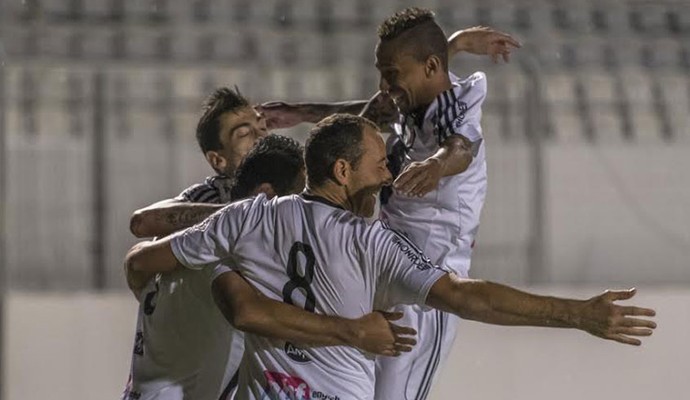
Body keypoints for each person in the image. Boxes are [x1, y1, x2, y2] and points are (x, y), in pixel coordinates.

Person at [124, 114, 656, 400]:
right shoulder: (371, 243)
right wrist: (577, 314)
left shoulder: (248, 219)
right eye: (379, 164)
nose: (388, 174)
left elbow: (146, 254)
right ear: (342, 172)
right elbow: (467, 297)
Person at [122, 105, 416, 400]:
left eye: (261, 125)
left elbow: (137, 262)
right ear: (218, 159)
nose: (260, 133)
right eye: (244, 132)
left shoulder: (198, 241)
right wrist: (354, 331)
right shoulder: (234, 237)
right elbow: (248, 311)